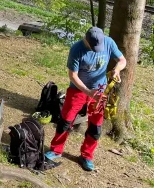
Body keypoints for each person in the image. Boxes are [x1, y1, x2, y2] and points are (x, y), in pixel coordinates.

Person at [45, 27, 127, 172]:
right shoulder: (76, 49)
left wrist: (117, 69)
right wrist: (88, 92)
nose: (97, 49)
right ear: (86, 41)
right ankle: (56, 150)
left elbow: (122, 60)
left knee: (96, 126)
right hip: (78, 90)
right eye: (93, 47)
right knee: (65, 121)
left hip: (100, 91)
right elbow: (73, 76)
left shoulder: (108, 42)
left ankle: (86, 156)